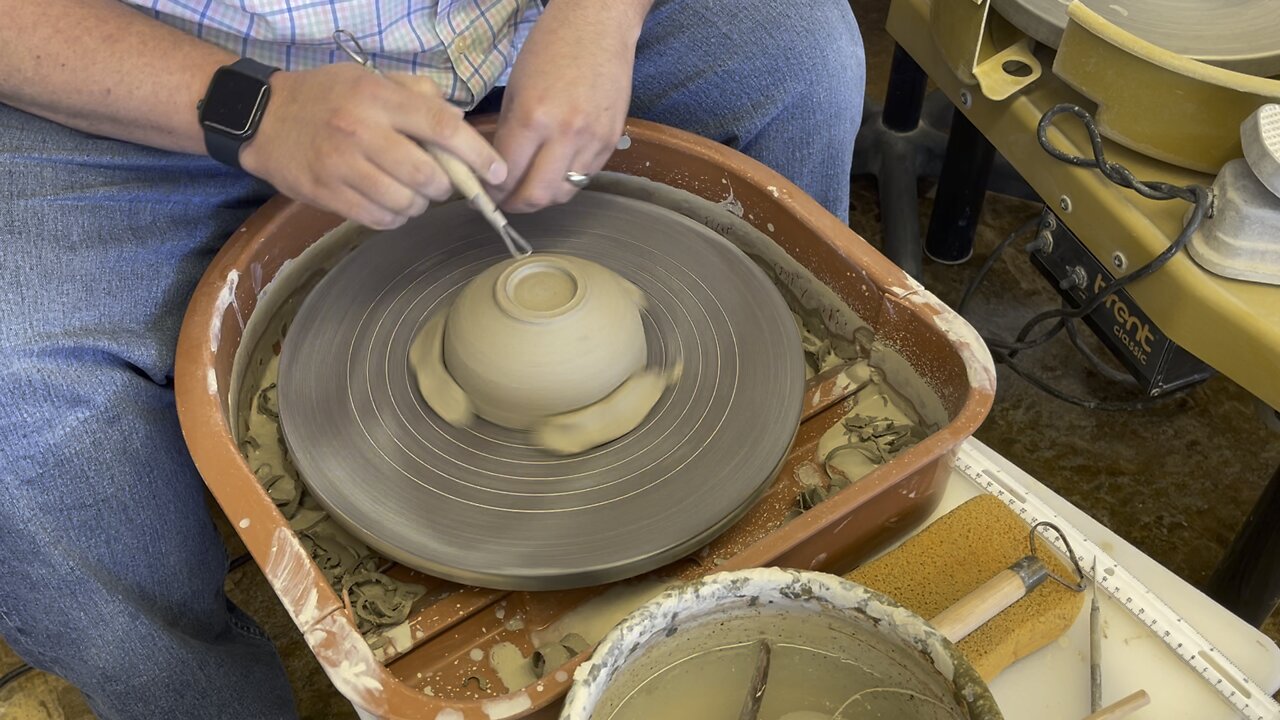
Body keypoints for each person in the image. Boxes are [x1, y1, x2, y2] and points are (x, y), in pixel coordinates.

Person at [0, 0, 864, 716]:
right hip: (155, 78)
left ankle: (799, 558)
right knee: (20, 404)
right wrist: (248, 109)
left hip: (528, 25)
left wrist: (602, 18)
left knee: (801, 59)